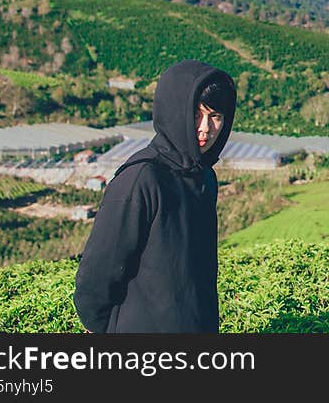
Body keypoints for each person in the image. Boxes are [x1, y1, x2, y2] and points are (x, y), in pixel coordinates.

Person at [73, 59, 236, 333]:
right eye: (196, 114)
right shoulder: (141, 179)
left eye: (215, 116)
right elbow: (96, 277)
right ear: (174, 111)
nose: (206, 128)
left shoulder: (204, 176)